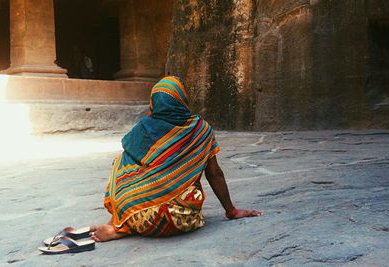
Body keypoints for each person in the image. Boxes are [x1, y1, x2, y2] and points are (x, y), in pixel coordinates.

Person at [90, 76, 261, 241]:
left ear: (153, 102)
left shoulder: (144, 127)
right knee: (184, 196)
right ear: (181, 99)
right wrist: (231, 211)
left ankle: (118, 224)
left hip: (135, 214)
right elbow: (214, 174)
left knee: (121, 162)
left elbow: (129, 158)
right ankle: (123, 228)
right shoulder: (200, 129)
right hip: (176, 219)